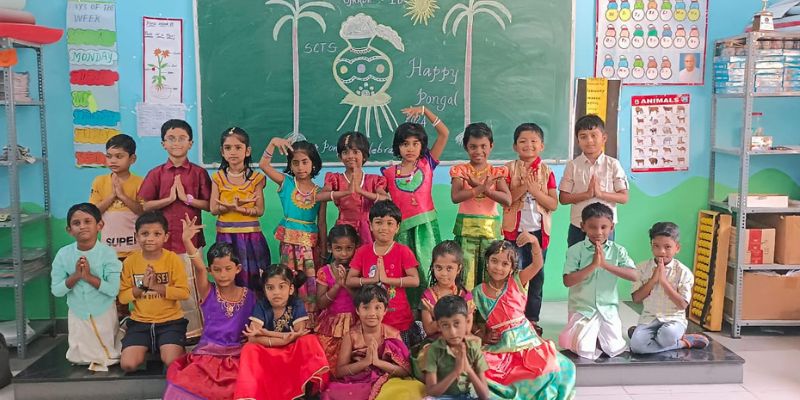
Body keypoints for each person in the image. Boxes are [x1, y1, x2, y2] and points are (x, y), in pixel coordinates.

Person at [163, 216, 257, 400]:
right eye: (217, 270)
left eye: (228, 268)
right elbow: (198, 268)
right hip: (206, 356)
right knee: (181, 387)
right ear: (210, 270)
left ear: (238, 268)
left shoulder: (250, 296)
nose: (223, 274)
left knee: (243, 388)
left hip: (237, 357)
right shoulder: (208, 292)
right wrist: (187, 241)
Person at [474, 236, 576, 399]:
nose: (498, 267)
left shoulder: (517, 281)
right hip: (500, 345)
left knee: (551, 367)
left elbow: (537, 264)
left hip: (527, 341)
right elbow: (475, 321)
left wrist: (534, 242)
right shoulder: (478, 292)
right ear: (487, 262)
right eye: (494, 261)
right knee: (483, 371)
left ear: (512, 267)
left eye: (505, 264)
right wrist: (483, 334)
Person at [138, 119, 211, 339]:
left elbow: (210, 205)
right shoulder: (156, 174)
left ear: (191, 143)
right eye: (171, 138)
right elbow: (144, 206)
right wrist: (169, 199)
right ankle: (168, 333)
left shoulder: (198, 173)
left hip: (191, 243)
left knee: (192, 288)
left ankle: (196, 333)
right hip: (161, 245)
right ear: (163, 144)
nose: (176, 143)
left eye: (181, 138)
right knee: (165, 287)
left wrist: (187, 199)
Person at [382, 105, 449, 305]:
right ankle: (410, 313)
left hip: (427, 227)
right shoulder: (388, 173)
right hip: (402, 230)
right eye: (405, 144)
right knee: (406, 272)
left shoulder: (427, 163)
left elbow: (444, 133)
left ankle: (432, 309)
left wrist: (425, 111)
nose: (410, 148)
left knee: (430, 267)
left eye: (415, 143)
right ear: (398, 147)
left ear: (422, 146)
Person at [234, 264, 330, 400]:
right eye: (270, 288)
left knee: (309, 340)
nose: (276, 292)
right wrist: (284, 339)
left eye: (281, 287)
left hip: (291, 350)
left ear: (291, 289)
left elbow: (299, 333)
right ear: (264, 290)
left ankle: (307, 391)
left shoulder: (296, 303)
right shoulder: (261, 305)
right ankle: (251, 395)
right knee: (249, 348)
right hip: (268, 351)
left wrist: (267, 333)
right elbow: (252, 338)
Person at [558, 202, 638, 360]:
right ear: (583, 226)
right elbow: (568, 281)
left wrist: (605, 265)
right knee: (583, 347)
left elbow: (634, 275)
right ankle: (589, 337)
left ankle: (597, 337)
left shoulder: (618, 251)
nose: (598, 232)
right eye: (593, 227)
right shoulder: (575, 251)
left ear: (612, 227)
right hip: (582, 309)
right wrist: (593, 265)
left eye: (603, 227)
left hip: (608, 310)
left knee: (614, 348)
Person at [259, 137, 327, 319]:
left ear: (313, 163)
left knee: (309, 281)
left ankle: (308, 318)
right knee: (288, 279)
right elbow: (264, 165)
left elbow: (321, 223)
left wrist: (324, 249)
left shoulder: (320, 192)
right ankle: (287, 317)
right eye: (295, 163)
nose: (300, 167)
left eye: (305, 162)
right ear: (290, 165)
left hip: (310, 247)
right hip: (288, 245)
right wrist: (272, 143)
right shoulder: (286, 183)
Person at [50, 203, 121, 371]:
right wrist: (76, 276)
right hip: (77, 312)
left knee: (107, 356)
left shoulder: (108, 253)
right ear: (69, 230)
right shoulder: (63, 254)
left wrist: (88, 277)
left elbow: (113, 290)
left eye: (87, 221)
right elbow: (57, 290)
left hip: (103, 310)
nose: (82, 226)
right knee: (79, 358)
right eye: (76, 223)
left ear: (99, 225)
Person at [501, 123, 558, 333]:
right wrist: (524, 186)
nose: (528, 145)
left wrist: (535, 191)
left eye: (534, 141)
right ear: (515, 146)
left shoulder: (547, 171)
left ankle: (532, 319)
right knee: (513, 276)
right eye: (523, 141)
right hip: (513, 234)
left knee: (536, 277)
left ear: (542, 146)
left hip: (538, 235)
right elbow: (506, 200)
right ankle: (512, 317)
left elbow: (553, 204)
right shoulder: (507, 169)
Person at [324, 285, 425, 400]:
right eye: (366, 308)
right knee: (330, 391)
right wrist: (365, 362)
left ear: (385, 310)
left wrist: (378, 362)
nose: (372, 313)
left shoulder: (393, 334)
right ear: (357, 310)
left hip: (388, 380)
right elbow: (340, 371)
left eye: (377, 308)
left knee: (413, 389)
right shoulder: (351, 336)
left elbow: (405, 371)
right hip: (359, 381)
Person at [119, 211, 190, 372]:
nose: (150, 238)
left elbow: (184, 293)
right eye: (145, 234)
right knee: (128, 364)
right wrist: (142, 287)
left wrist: (157, 286)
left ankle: (169, 346)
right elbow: (123, 298)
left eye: (157, 234)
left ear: (166, 237)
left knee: (172, 361)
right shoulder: (130, 262)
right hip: (140, 323)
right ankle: (150, 345)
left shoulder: (172, 259)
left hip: (170, 322)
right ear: (136, 236)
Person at [346, 200, 420, 346]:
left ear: (397, 227)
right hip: (371, 321)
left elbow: (415, 280)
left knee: (399, 356)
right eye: (378, 222)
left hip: (399, 321)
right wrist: (371, 280)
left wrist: (387, 279)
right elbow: (350, 280)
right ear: (370, 225)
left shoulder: (403, 251)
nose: (384, 228)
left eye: (389, 223)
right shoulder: (363, 252)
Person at [630, 222, 709, 354]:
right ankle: (680, 343)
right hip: (649, 318)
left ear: (677, 248)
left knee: (666, 336)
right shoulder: (642, 268)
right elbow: (636, 299)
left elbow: (682, 304)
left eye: (667, 247)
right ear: (651, 246)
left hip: (674, 320)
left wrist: (663, 281)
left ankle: (679, 340)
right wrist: (653, 280)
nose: (661, 251)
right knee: (636, 347)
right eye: (656, 246)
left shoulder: (683, 272)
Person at [450, 123, 511, 290]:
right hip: (466, 230)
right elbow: (455, 197)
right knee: (466, 273)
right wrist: (480, 188)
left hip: (490, 231)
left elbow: (507, 200)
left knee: (490, 272)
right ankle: (468, 306)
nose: (478, 151)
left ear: (491, 146)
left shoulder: (496, 173)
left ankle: (486, 306)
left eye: (483, 146)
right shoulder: (460, 171)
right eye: (473, 146)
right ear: (466, 147)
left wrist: (483, 188)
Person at [210, 127, 269, 292]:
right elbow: (213, 209)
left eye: (238, 147)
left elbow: (260, 210)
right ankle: (231, 306)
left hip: (250, 236)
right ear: (222, 152)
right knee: (228, 274)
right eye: (228, 148)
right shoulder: (217, 178)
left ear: (247, 151)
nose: (233, 152)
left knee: (253, 276)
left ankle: (252, 306)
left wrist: (241, 210)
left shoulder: (256, 178)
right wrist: (229, 207)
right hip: (226, 236)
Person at [558, 115, 628, 247]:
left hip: (604, 228)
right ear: (578, 141)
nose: (589, 140)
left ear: (604, 138)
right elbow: (563, 198)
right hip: (578, 226)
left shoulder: (613, 164)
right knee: (576, 259)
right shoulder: (572, 166)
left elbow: (624, 197)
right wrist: (587, 195)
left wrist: (600, 194)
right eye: (583, 136)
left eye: (594, 135)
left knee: (604, 258)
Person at [412, 241, 476, 381]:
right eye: (439, 268)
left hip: (460, 341)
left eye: (449, 268)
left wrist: (438, 317)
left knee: (474, 351)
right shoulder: (428, 296)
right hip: (436, 342)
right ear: (433, 267)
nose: (443, 273)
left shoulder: (465, 295)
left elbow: (466, 330)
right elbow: (429, 329)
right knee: (429, 356)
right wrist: (457, 320)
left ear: (458, 269)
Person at [319, 131, 389, 245]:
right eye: (345, 152)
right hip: (344, 231)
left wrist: (360, 191)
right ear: (340, 157)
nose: (350, 156)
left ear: (364, 156)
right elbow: (320, 196)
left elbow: (386, 199)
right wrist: (347, 192)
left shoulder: (374, 180)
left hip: (368, 231)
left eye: (355, 152)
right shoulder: (335, 178)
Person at [421, 295, 490, 400]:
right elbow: (431, 392)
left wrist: (468, 369)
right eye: (445, 325)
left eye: (457, 324)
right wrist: (456, 372)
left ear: (466, 322)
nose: (452, 332)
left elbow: (484, 395)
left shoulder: (473, 347)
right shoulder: (434, 350)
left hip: (468, 396)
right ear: (438, 326)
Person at [88, 134, 143, 259]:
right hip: (108, 252)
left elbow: (143, 211)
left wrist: (122, 196)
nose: (113, 161)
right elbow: (92, 212)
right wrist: (112, 196)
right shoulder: (99, 181)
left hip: (135, 251)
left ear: (132, 159)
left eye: (119, 156)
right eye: (109, 156)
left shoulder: (140, 182)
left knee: (135, 273)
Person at [316, 224, 360, 375]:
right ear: (330, 248)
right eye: (338, 249)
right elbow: (321, 303)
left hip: (355, 323)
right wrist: (337, 285)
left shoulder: (358, 271)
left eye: (349, 248)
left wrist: (346, 283)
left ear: (356, 248)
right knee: (328, 365)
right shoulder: (324, 272)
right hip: (331, 325)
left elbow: (361, 301)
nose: (344, 254)